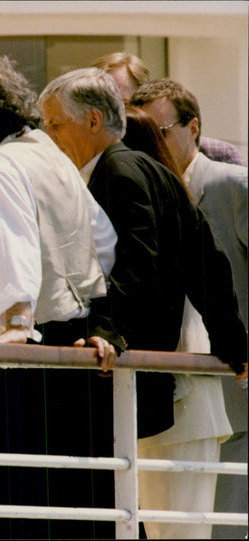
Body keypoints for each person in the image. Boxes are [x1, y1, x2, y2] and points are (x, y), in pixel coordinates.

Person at [0, 56, 124, 539]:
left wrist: (18, 321)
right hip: (75, 347)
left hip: (24, 357)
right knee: (70, 501)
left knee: (6, 497)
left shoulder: (0, 162)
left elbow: (12, 239)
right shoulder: (55, 156)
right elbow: (105, 242)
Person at [38, 70, 247, 455]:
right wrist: (232, 340)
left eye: (55, 124)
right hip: (140, 377)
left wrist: (108, 330)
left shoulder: (116, 171)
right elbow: (206, 258)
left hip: (120, 375)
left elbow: (138, 256)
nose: (49, 137)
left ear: (94, 121)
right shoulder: (153, 170)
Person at [128, 81, 248, 539]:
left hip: (236, 399)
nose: (149, 145)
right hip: (186, 403)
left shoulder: (230, 185)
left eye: (158, 130)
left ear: (192, 128)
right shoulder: (148, 193)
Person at [90, 51, 247, 167]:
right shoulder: (92, 161)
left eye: (123, 105)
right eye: (103, 108)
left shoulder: (217, 154)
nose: (114, 115)